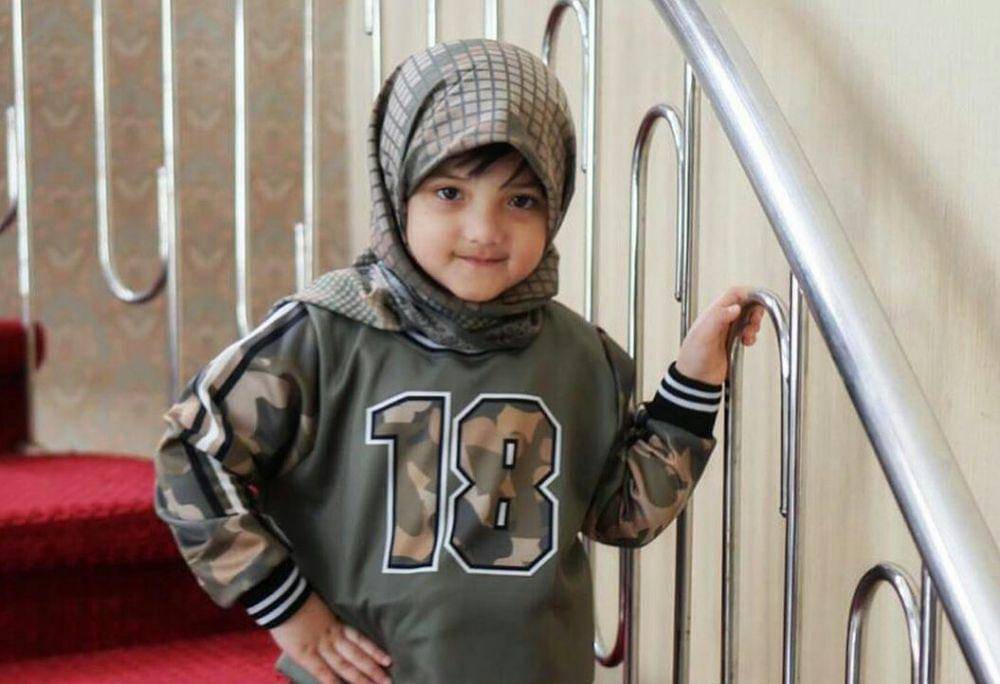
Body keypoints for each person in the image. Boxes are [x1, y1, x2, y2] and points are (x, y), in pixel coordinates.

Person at [152, 38, 764, 684]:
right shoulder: (324, 337)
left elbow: (625, 513)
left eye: (520, 201)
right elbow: (191, 452)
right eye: (449, 192)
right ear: (399, 191)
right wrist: (290, 610)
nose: (484, 230)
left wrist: (695, 378)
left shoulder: (581, 358)